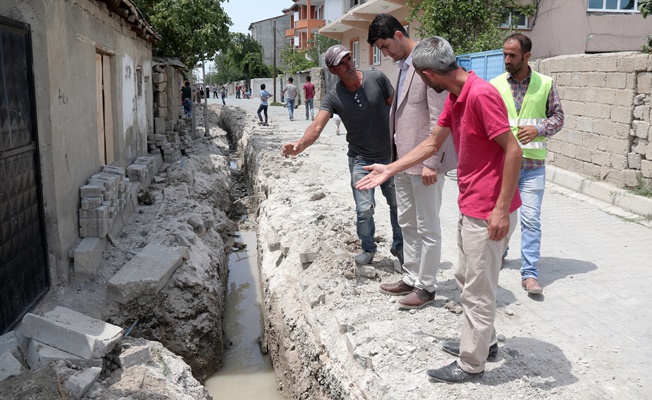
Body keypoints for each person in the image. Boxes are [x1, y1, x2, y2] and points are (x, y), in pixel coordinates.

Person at [356, 36, 522, 383]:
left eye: (421, 77)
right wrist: (391, 168)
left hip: (490, 209)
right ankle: (486, 342)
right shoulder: (456, 96)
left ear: (429, 74)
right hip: (472, 203)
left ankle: (470, 364)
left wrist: (501, 210)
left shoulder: (480, 95)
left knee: (478, 291)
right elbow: (432, 142)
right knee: (464, 277)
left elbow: (514, 150)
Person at [281, 44, 403, 266]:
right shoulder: (333, 97)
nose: (348, 64)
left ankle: (400, 247)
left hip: (389, 156)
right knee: (364, 209)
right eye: (341, 63)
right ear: (332, 71)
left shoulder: (377, 78)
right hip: (360, 160)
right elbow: (317, 127)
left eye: (349, 58)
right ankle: (368, 248)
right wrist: (300, 144)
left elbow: (397, 110)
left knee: (397, 204)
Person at [368, 14, 457, 310]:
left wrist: (434, 161)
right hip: (404, 161)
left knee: (427, 225)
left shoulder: (427, 64)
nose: (385, 53)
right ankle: (411, 275)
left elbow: (439, 118)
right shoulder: (404, 67)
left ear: (398, 34)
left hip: (425, 163)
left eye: (384, 46)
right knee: (406, 220)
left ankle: (427, 286)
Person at [491, 33, 564, 295]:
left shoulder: (545, 84)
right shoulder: (495, 84)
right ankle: (500, 253)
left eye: (512, 55)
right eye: (504, 54)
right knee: (503, 218)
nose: (507, 60)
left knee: (531, 220)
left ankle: (530, 274)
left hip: (533, 168)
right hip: (503, 166)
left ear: (527, 56)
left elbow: (558, 117)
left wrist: (539, 128)